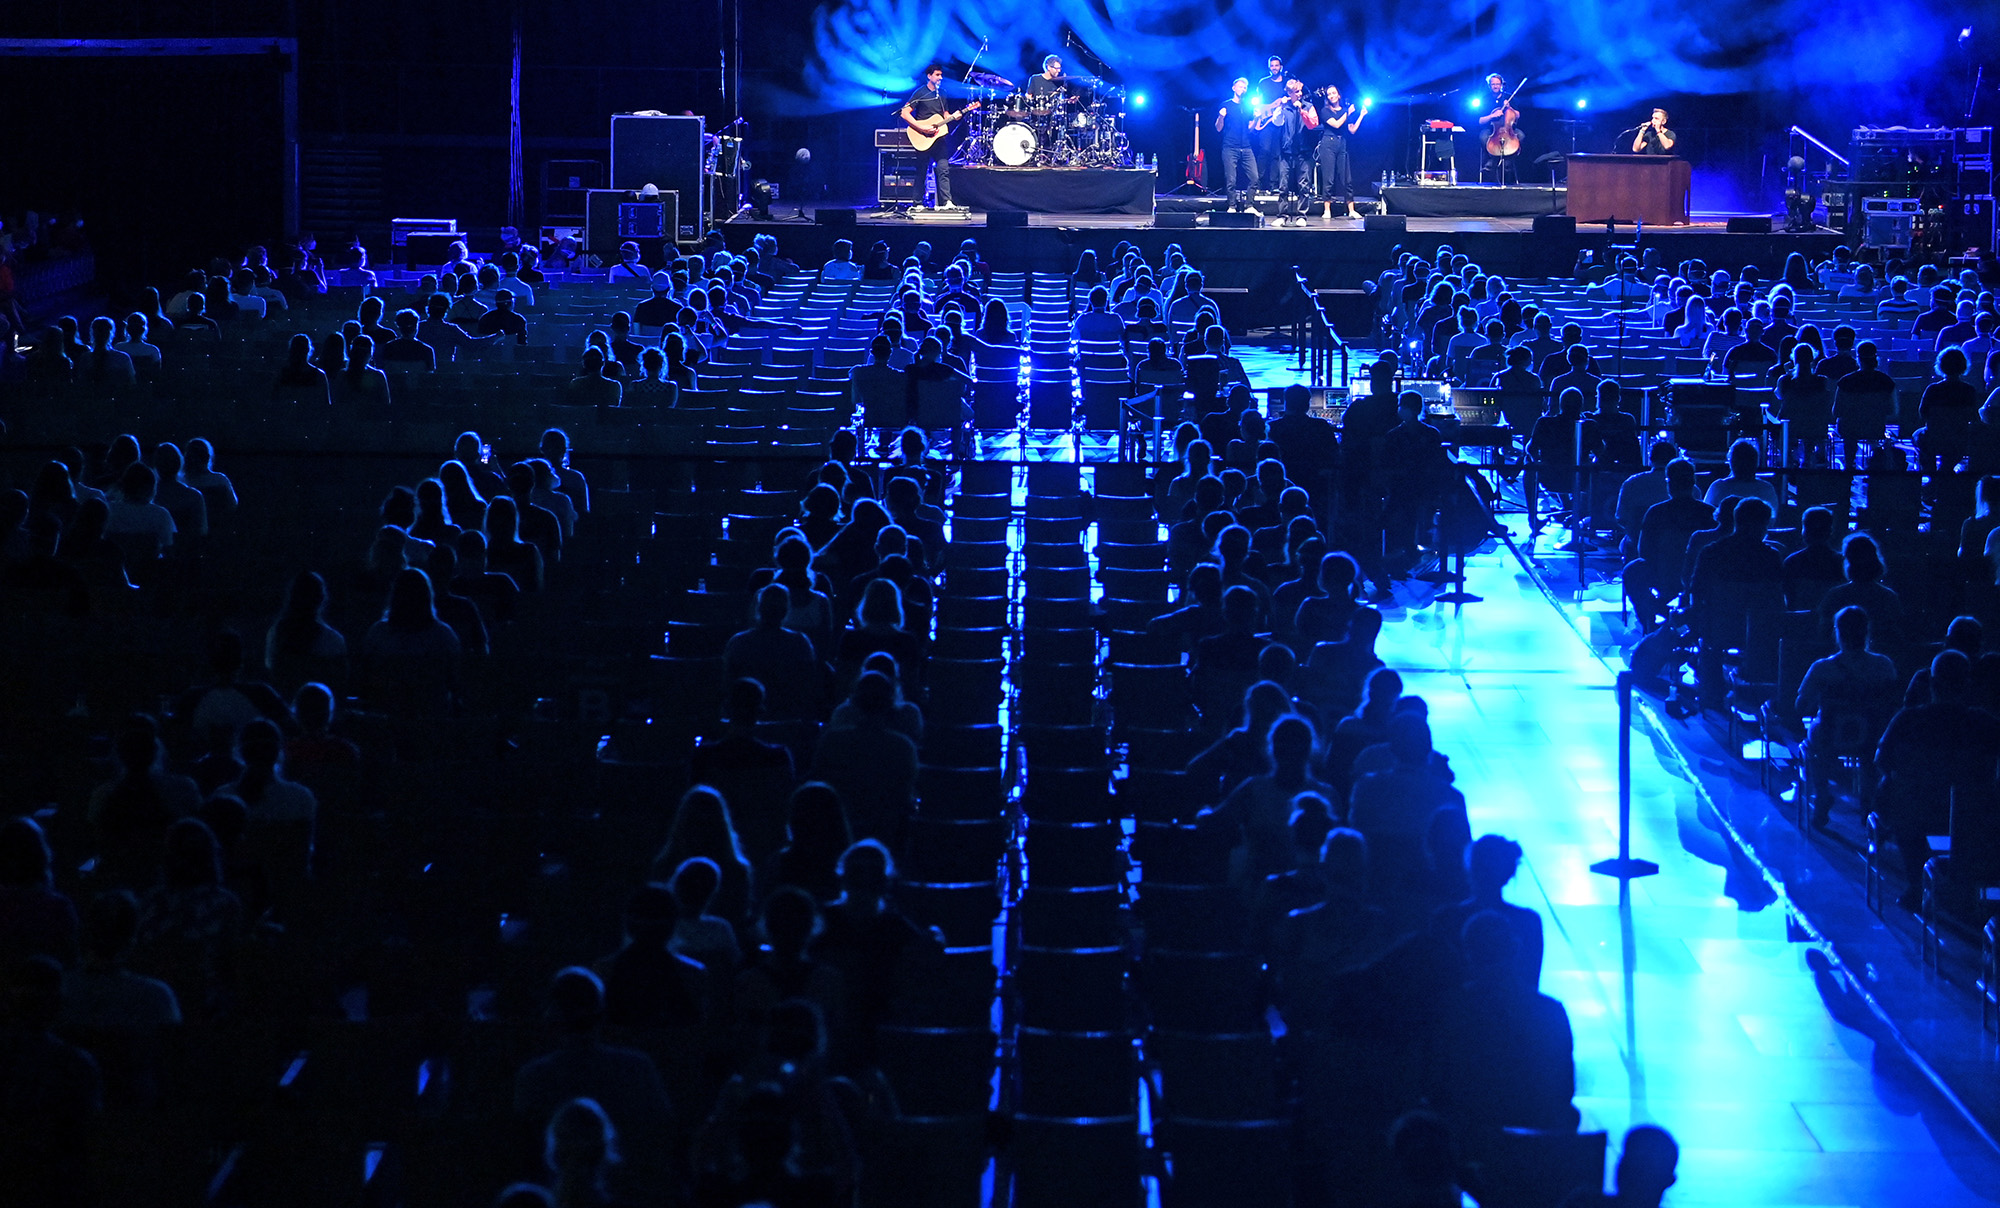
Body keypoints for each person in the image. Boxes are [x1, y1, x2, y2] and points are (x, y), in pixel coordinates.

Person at [513, 969, 674, 1203]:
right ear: (602, 1015)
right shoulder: (638, 1068)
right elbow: (663, 1135)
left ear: (551, 1017)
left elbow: (522, 1153)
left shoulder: (533, 1076)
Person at [1796, 605, 1899, 827]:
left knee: (1815, 741)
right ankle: (1868, 801)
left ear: (1838, 633)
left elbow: (1801, 705)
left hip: (1830, 738)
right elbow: (1892, 704)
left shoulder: (1822, 668)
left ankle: (1822, 794)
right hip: (1871, 738)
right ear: (1867, 632)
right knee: (1869, 752)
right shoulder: (1884, 666)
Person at [809, 671, 919, 842]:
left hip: (836, 834)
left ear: (854, 702)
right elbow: (905, 800)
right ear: (891, 703)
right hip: (886, 834)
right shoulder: (903, 747)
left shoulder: (832, 742)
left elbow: (818, 790)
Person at [600, 883, 709, 1030]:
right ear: (673, 924)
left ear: (628, 924)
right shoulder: (693, 973)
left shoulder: (603, 971)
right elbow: (699, 1032)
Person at [899, 65, 968, 213]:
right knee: (921, 170)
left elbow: (944, 115)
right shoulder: (920, 93)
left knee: (943, 169)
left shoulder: (942, 94)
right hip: (922, 137)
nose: (940, 78)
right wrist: (921, 128)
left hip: (938, 139)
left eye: (941, 75)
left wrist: (954, 117)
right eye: (937, 75)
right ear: (929, 76)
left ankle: (947, 202)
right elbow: (904, 113)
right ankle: (917, 202)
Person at [1559, 1125, 1680, 1208]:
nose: (1630, 1171)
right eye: (1629, 1162)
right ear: (1670, 1181)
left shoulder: (1583, 1203)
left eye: (1641, 1168)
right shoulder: (1583, 1201)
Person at [1313, 85, 1368, 220]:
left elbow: (1352, 130)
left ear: (1339, 95)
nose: (1331, 96)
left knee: (1346, 179)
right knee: (1329, 178)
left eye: (1334, 93)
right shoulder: (1325, 110)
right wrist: (1348, 113)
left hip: (1341, 143)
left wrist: (1361, 115)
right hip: (1328, 144)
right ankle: (1327, 209)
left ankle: (1351, 209)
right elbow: (1337, 124)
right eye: (1329, 94)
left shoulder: (1344, 110)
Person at [1217, 78, 1259, 212]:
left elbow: (1250, 129)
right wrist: (1221, 117)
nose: (1242, 89)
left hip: (1246, 147)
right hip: (1230, 147)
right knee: (1231, 179)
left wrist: (1257, 118)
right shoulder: (1226, 105)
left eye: (1245, 87)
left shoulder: (1247, 106)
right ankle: (1232, 205)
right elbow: (1218, 128)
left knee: (1255, 177)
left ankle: (1249, 205)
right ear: (1234, 88)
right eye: (1240, 87)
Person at [1477, 72, 1522, 184]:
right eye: (1493, 84)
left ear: (1502, 85)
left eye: (1498, 84)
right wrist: (1492, 116)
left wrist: (1509, 107)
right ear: (1489, 86)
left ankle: (1508, 160)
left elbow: (1517, 115)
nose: (1496, 86)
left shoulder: (1509, 97)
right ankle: (1492, 160)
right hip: (1492, 130)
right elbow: (1480, 120)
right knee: (1483, 136)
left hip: (1508, 129)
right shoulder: (1485, 99)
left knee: (1521, 135)